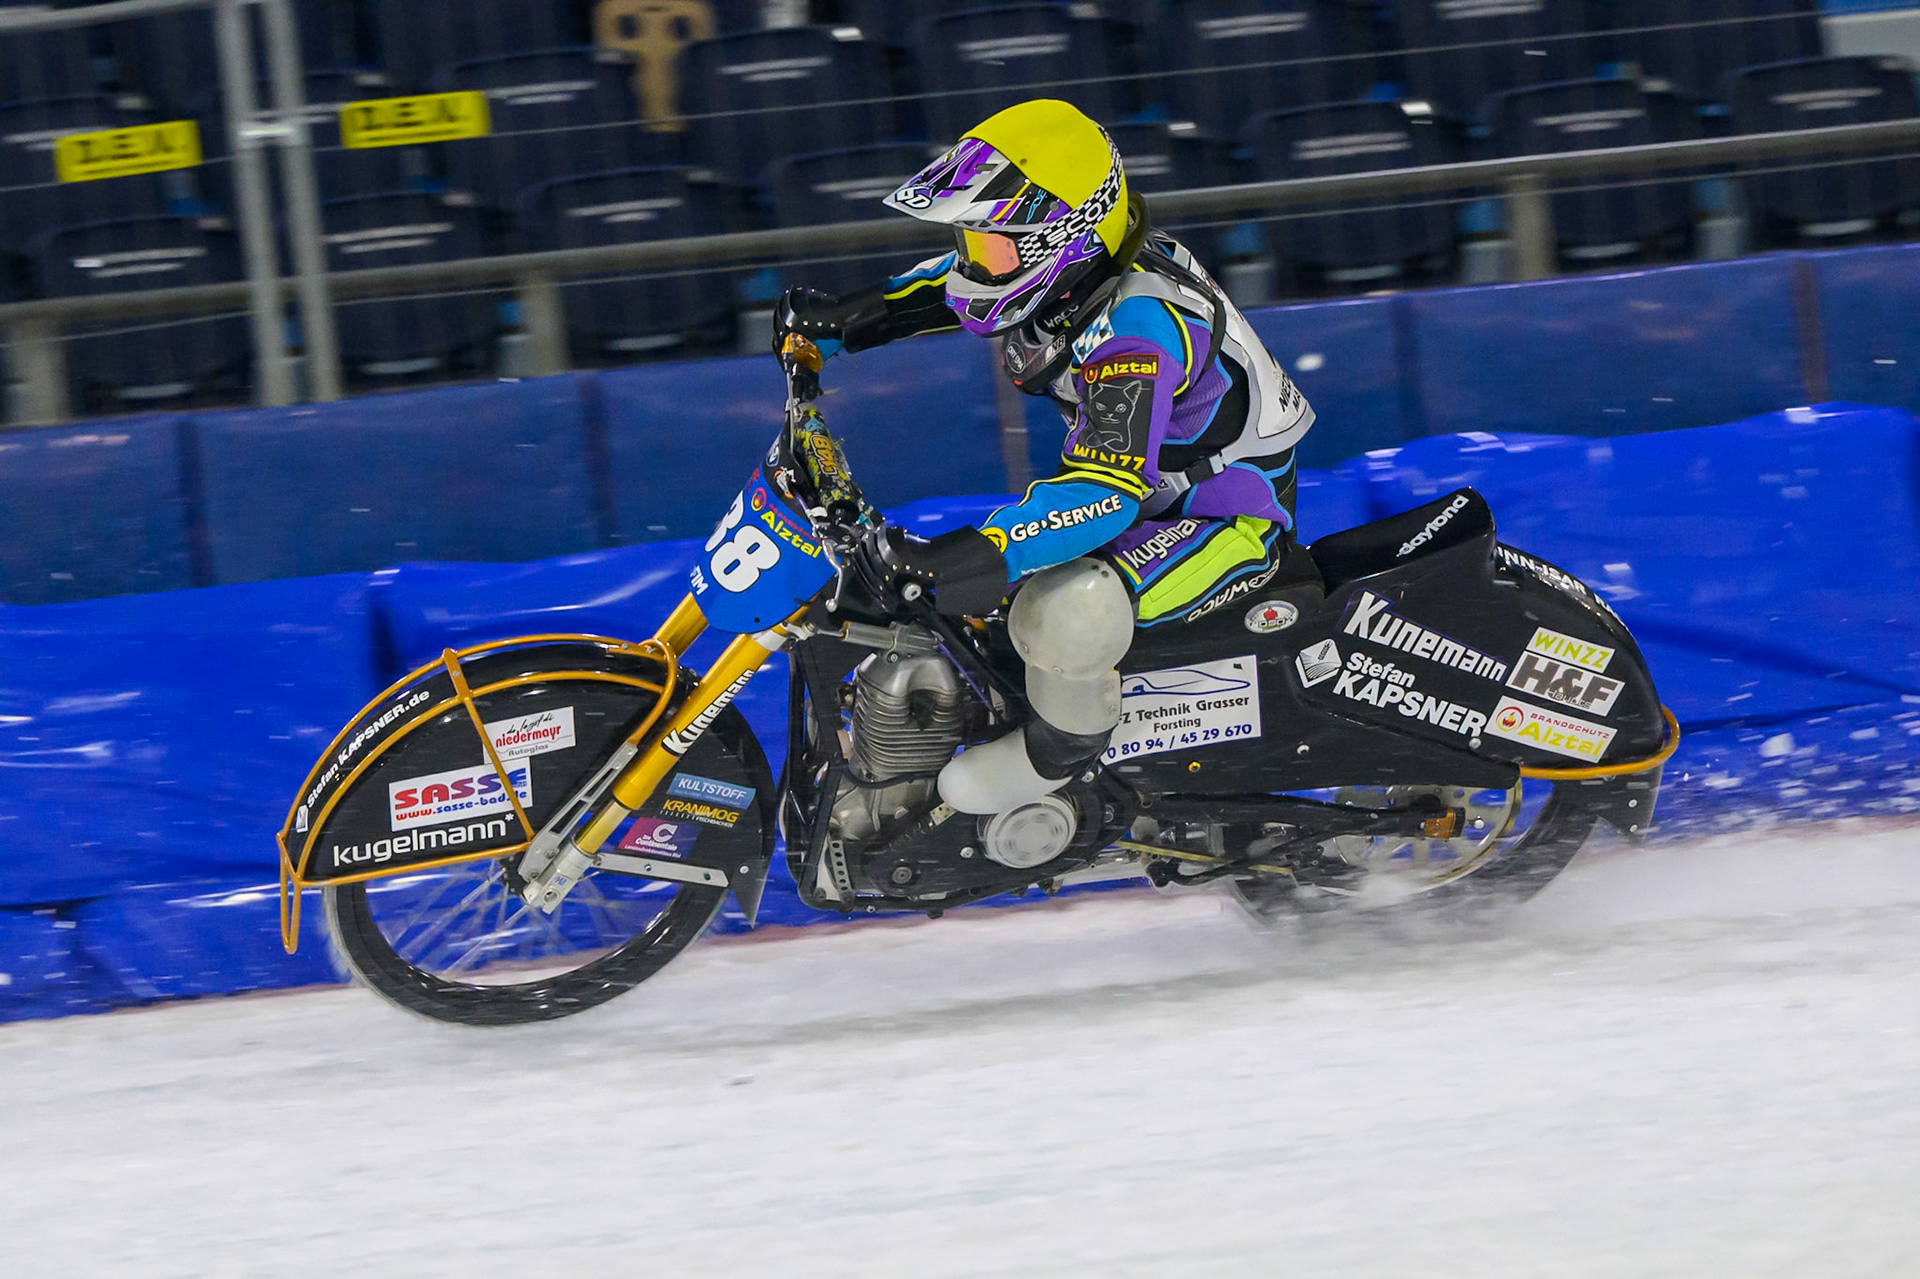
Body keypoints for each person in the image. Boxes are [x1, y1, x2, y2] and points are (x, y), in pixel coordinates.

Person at [774, 98, 1315, 817]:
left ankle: (1058, 758)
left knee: (1065, 612)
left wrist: (976, 552)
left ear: (1064, 245)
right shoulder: (1074, 284)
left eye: (990, 246)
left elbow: (1106, 488)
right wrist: (849, 320)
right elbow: (955, 286)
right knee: (986, 606)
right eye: (974, 242)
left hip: (1224, 521)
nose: (973, 261)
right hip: (1156, 502)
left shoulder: (1136, 331)